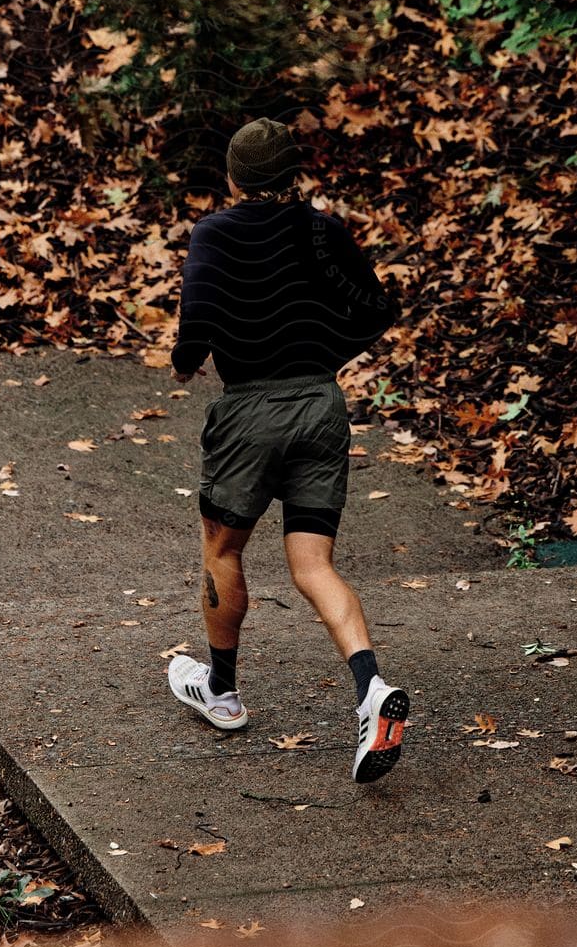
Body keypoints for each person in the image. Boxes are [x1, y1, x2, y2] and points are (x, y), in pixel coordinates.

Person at [167, 117, 409, 784]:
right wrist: (325, 352)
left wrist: (187, 360)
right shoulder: (323, 229)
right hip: (321, 406)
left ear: (233, 177)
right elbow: (377, 309)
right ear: (292, 174)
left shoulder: (216, 233)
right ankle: (370, 689)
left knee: (223, 550)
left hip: (249, 411)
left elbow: (195, 333)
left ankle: (220, 691)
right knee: (313, 564)